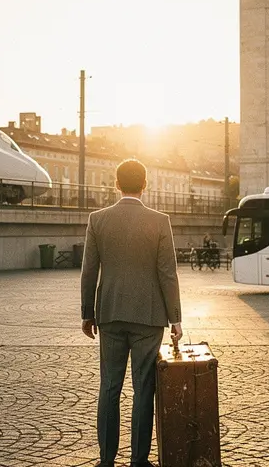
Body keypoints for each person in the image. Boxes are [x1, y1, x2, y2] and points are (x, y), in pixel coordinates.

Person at [81, 158, 183, 467]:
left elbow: (89, 271)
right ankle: (139, 460)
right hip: (149, 317)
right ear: (145, 185)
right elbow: (168, 273)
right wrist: (175, 318)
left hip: (110, 313)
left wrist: (88, 313)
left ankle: (106, 460)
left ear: (116, 184)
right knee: (143, 389)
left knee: (109, 387)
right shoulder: (160, 221)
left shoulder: (97, 220)